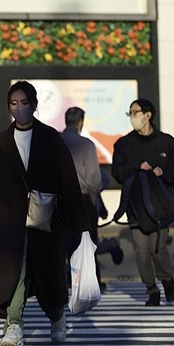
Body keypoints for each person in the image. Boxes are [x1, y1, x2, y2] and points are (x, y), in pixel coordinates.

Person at [0, 81, 89, 346]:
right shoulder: (2, 141)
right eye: (14, 104)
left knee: (48, 270)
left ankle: (57, 317)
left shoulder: (50, 138)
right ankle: (14, 324)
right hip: (10, 218)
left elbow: (68, 180)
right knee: (14, 269)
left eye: (24, 103)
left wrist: (81, 222)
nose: (19, 109)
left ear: (35, 105)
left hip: (47, 219)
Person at [112, 98, 174, 306]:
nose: (132, 116)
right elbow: (118, 172)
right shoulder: (124, 144)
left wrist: (164, 172)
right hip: (136, 208)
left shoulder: (167, 142)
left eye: (135, 112)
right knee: (141, 252)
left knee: (158, 249)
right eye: (130, 113)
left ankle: (167, 279)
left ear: (148, 115)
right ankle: (151, 290)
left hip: (160, 207)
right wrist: (136, 166)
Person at [60, 106, 104, 291]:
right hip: (82, 198)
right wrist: (94, 199)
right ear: (80, 122)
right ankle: (90, 281)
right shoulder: (86, 144)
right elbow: (94, 178)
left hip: (59, 200)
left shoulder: (54, 142)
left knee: (61, 243)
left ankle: (64, 281)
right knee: (87, 242)